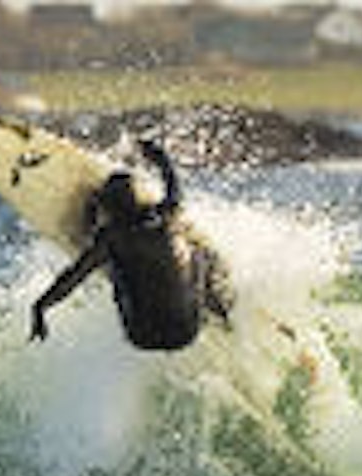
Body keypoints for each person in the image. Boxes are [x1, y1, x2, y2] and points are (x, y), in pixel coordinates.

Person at [30, 139, 231, 350]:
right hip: (187, 332)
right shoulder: (168, 217)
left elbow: (72, 278)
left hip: (143, 336)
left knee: (113, 261)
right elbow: (174, 189)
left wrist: (41, 306)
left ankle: (96, 236)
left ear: (108, 209)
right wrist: (160, 158)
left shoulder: (111, 238)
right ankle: (217, 310)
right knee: (195, 251)